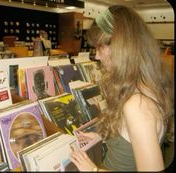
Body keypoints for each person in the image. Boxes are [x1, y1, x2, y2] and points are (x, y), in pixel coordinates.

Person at [70, 5, 174, 172]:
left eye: (99, 47)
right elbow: (131, 140)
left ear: (119, 47)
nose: (96, 55)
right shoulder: (143, 86)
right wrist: (101, 137)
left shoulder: (137, 104)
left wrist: (93, 170)